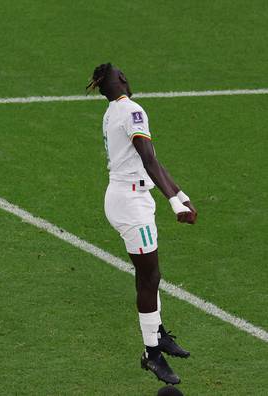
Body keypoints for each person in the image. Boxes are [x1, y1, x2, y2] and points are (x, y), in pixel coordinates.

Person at [86, 63, 197, 384]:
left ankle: (157, 332)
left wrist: (180, 193)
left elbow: (149, 159)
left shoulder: (111, 112)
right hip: (130, 203)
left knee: (150, 273)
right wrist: (174, 202)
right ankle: (152, 354)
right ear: (120, 79)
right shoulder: (132, 110)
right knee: (150, 275)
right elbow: (148, 160)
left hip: (132, 197)